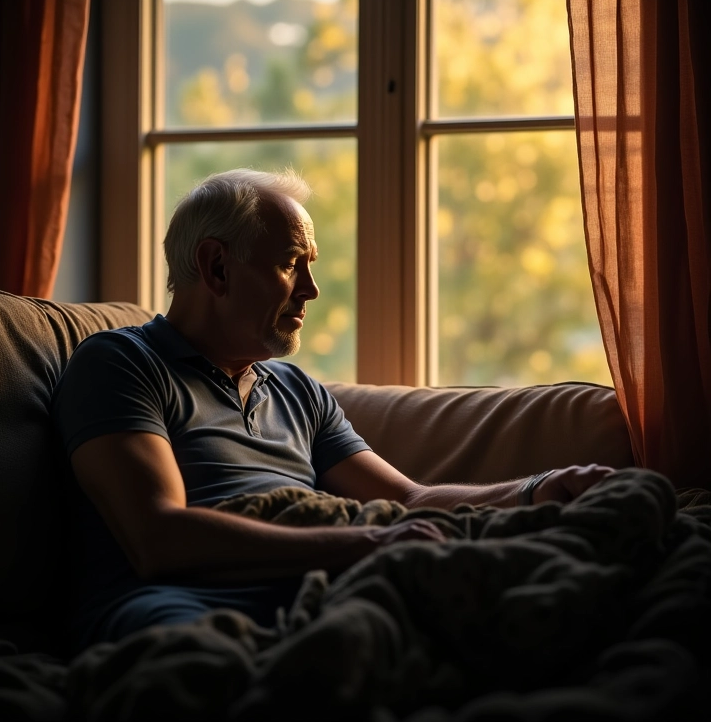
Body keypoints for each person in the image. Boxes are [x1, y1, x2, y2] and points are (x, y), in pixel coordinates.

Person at [51, 168, 614, 654]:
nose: (313, 290)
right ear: (217, 266)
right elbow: (157, 537)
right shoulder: (121, 364)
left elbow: (409, 500)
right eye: (292, 264)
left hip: (319, 593)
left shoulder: (297, 390)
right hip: (178, 609)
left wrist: (539, 489)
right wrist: (369, 545)